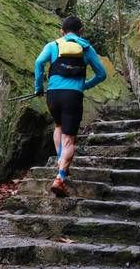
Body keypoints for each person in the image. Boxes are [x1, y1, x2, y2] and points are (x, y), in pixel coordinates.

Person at [34, 15, 107, 197]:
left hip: (53, 95)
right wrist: (84, 85)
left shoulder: (53, 45)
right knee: (69, 139)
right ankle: (60, 179)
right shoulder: (86, 48)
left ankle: (61, 163)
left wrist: (38, 87)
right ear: (81, 31)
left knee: (58, 126)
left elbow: (39, 62)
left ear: (62, 31)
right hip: (72, 96)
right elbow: (101, 74)